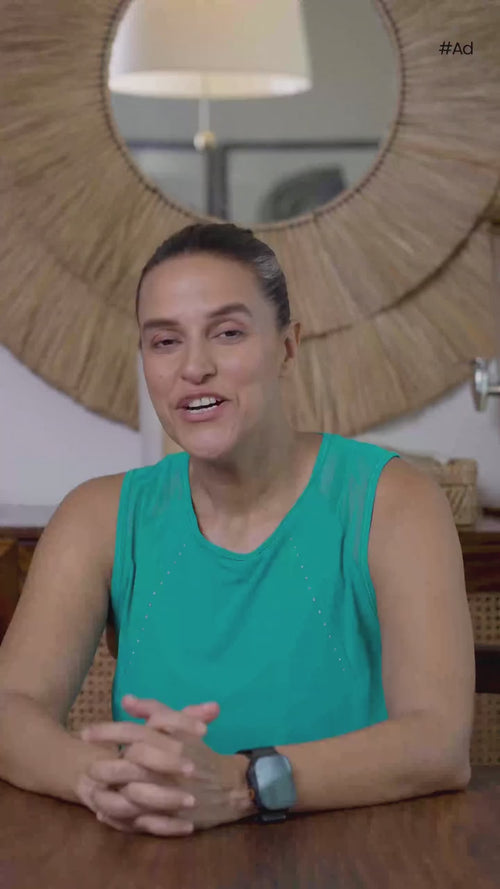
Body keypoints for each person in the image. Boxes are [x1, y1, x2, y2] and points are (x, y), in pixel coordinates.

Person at [0, 223, 475, 838]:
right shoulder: (97, 516)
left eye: (228, 333)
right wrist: (102, 779)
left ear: (287, 347)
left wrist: (243, 783)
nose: (194, 367)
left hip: (358, 855)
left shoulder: (395, 501)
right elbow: (11, 708)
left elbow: (439, 742)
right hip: (158, 853)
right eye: (165, 341)